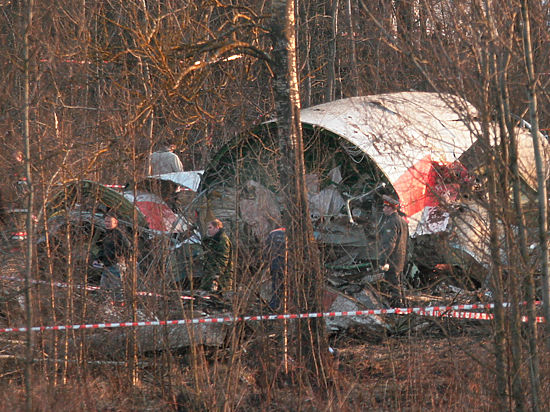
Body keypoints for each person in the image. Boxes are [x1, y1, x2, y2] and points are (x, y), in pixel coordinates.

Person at [377, 194, 409, 305]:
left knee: (393, 286)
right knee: (399, 285)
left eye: (385, 207)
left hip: (392, 260)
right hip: (401, 259)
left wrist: (383, 260)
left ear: (390, 208)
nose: (383, 209)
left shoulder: (391, 222)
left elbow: (389, 243)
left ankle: (398, 310)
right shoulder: (403, 222)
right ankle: (403, 308)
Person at [93, 214, 131, 303]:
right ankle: (106, 305)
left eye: (109, 222)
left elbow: (127, 247)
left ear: (115, 222)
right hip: (106, 265)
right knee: (104, 287)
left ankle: (119, 306)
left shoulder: (119, 234)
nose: (107, 224)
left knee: (117, 288)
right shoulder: (107, 234)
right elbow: (103, 249)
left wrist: (122, 258)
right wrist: (98, 258)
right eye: (106, 221)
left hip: (116, 265)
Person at [200, 219, 233, 292]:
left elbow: (223, 258)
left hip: (221, 277)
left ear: (217, 227)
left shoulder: (222, 240)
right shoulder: (213, 240)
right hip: (210, 273)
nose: (208, 230)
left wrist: (217, 274)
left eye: (210, 228)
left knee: (219, 296)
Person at [264, 227, 286, 310]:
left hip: (275, 262)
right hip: (288, 263)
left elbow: (266, 250)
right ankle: (283, 305)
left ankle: (275, 304)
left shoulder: (272, 233)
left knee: (276, 283)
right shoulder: (293, 233)